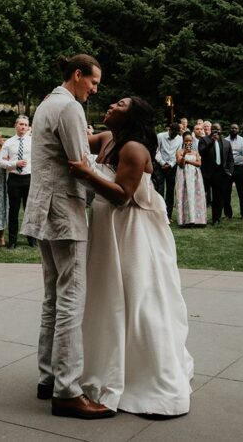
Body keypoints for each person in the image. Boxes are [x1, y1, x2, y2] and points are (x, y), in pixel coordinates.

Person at [69, 96, 193, 417]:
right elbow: (78, 138)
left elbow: (122, 197)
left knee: (137, 299)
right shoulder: (109, 139)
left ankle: (148, 380)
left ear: (133, 116)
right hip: (108, 228)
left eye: (120, 104)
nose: (111, 104)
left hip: (132, 232)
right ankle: (103, 367)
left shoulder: (134, 149)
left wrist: (86, 173)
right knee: (107, 299)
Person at [21, 54, 110, 419]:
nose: (94, 90)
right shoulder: (70, 108)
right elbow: (80, 163)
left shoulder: (47, 103)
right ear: (78, 75)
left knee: (52, 298)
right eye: (93, 83)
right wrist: (115, 182)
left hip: (42, 208)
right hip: (63, 212)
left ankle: (47, 378)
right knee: (72, 299)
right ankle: (68, 391)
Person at [0, 115, 34, 248]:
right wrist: (15, 163)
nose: (23, 127)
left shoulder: (32, 142)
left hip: (29, 179)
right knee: (13, 211)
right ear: (16, 126)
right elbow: (1, 162)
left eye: (25, 125)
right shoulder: (8, 143)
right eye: (21, 124)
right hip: (14, 180)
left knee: (29, 210)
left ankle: (32, 240)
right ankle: (12, 241)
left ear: (28, 127)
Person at [198, 123, 234, 224]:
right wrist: (211, 142)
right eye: (213, 129)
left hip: (221, 174)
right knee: (202, 196)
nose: (215, 131)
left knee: (218, 198)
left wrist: (230, 172)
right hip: (207, 173)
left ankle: (216, 219)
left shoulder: (226, 142)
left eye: (217, 129)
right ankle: (199, 218)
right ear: (210, 130)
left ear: (221, 130)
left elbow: (230, 159)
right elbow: (202, 152)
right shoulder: (204, 140)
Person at [175, 132, 206, 227]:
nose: (188, 142)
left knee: (195, 196)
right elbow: (181, 164)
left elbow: (199, 164)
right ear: (183, 141)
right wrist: (184, 154)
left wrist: (188, 161)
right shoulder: (179, 151)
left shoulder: (195, 152)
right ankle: (185, 220)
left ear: (192, 142)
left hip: (195, 176)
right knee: (184, 196)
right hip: (183, 175)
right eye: (186, 141)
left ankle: (197, 220)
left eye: (190, 141)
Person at [153, 124, 182, 221]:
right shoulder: (160, 136)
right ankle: (159, 214)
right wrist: (162, 163)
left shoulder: (180, 139)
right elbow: (156, 151)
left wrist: (171, 164)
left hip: (172, 167)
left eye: (176, 134)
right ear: (169, 130)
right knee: (159, 189)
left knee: (170, 191)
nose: (174, 135)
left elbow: (178, 153)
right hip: (159, 165)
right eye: (173, 133)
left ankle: (168, 215)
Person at [227, 123, 243, 221]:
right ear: (229, 129)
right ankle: (228, 214)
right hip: (228, 168)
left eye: (235, 128)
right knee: (226, 192)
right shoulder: (225, 140)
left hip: (240, 168)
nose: (233, 129)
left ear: (238, 130)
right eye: (232, 128)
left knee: (242, 192)